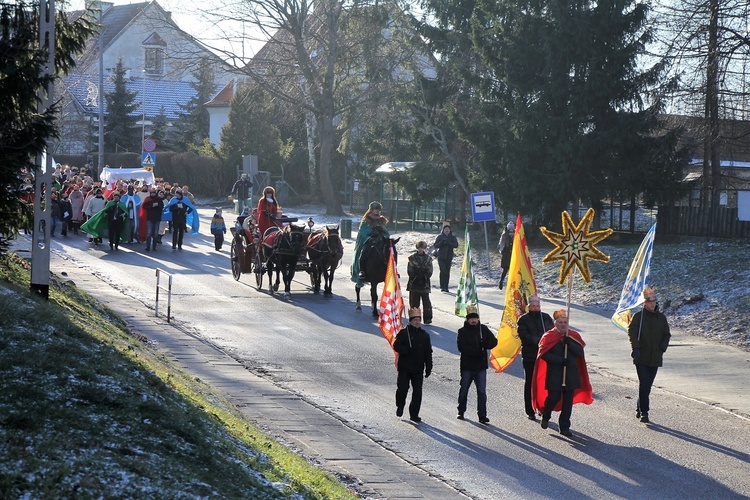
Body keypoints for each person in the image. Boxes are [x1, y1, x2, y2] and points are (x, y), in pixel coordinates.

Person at [532, 310, 593, 437]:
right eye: (560, 322)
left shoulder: (573, 336)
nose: (563, 325)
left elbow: (580, 353)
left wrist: (569, 343)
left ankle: (564, 427)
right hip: (555, 374)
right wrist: (560, 361)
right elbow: (544, 355)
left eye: (565, 322)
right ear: (555, 323)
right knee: (553, 397)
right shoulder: (548, 336)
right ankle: (546, 414)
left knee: (567, 402)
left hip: (570, 374)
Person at [629, 287, 671, 424]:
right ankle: (644, 412)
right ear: (644, 303)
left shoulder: (661, 318)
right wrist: (635, 348)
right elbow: (632, 333)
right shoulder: (638, 317)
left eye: (653, 301)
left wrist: (662, 348)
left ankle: (639, 406)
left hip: (655, 357)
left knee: (648, 385)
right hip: (641, 356)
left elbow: (666, 334)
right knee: (644, 383)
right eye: (649, 301)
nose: (652, 304)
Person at [456, 305, 498, 424]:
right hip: (467, 366)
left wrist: (484, 344)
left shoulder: (483, 329)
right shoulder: (462, 331)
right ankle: (461, 410)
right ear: (468, 320)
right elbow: (461, 347)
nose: (474, 321)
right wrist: (477, 351)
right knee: (464, 389)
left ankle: (482, 415)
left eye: (475, 318)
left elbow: (494, 341)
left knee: (482, 391)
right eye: (471, 319)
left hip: (480, 367)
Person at [517, 295, 554, 420]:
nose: (536, 308)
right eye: (533, 306)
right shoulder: (523, 320)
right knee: (530, 383)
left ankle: (542, 407)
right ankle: (530, 409)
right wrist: (541, 342)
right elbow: (524, 336)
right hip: (530, 357)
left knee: (544, 384)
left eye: (537, 306)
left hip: (545, 356)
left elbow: (552, 332)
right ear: (529, 307)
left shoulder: (546, 318)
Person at [393, 308, 433, 423]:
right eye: (415, 320)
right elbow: (396, 346)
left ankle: (414, 414)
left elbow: (428, 352)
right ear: (410, 321)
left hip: (418, 368)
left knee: (417, 392)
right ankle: (400, 405)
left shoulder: (424, 335)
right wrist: (406, 350)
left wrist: (429, 366)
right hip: (405, 368)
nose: (417, 322)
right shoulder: (404, 333)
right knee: (403, 389)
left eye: (419, 320)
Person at [351, 201, 389, 286]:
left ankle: (392, 271)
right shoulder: (366, 220)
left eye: (378, 209)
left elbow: (387, 232)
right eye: (375, 209)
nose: (377, 211)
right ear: (371, 210)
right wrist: (371, 236)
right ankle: (362, 271)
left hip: (380, 240)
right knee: (365, 251)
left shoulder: (382, 220)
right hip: (370, 241)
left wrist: (385, 236)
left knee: (391, 251)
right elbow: (362, 232)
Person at [406, 241, 433, 324]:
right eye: (420, 247)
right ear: (417, 248)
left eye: (423, 247)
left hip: (425, 282)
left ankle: (427, 318)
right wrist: (415, 276)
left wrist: (425, 276)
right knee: (414, 301)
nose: (421, 249)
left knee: (426, 301)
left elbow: (430, 270)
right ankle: (414, 317)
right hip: (414, 281)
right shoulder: (412, 258)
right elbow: (409, 269)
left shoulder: (428, 259)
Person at [433, 223, 458, 292]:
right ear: (443, 230)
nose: (447, 230)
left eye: (448, 229)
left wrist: (449, 243)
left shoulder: (452, 237)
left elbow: (456, 245)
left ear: (450, 230)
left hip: (449, 257)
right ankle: (442, 286)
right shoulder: (440, 237)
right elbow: (435, 245)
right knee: (443, 271)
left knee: (447, 272)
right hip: (441, 257)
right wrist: (442, 242)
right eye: (445, 229)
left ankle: (446, 287)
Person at [497, 221, 515, 289]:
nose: (511, 230)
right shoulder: (504, 235)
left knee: (514, 270)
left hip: (513, 254)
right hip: (506, 254)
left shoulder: (516, 234)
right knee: (505, 269)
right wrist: (501, 251)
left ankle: (512, 284)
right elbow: (501, 243)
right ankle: (501, 281)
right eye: (510, 228)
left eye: (512, 228)